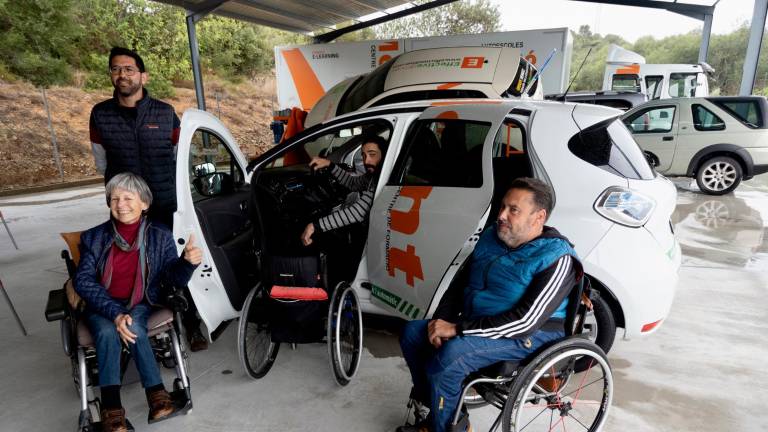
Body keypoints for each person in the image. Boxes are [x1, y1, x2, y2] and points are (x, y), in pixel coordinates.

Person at [396, 178, 580, 432]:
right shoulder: (492, 237)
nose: (502, 215)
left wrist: (458, 329)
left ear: (539, 217)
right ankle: (448, 417)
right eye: (502, 206)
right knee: (413, 333)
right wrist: (440, 323)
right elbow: (459, 284)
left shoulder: (557, 258)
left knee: (451, 357)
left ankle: (447, 426)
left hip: (530, 335)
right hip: (481, 323)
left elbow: (525, 321)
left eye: (513, 209)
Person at [89, 46, 207, 351]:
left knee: (175, 263)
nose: (122, 74)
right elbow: (102, 163)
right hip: (126, 210)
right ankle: (137, 323)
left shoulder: (165, 113)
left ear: (143, 75)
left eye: (129, 69)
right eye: (116, 69)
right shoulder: (100, 115)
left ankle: (190, 321)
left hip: (165, 205)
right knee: (130, 267)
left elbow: (180, 159)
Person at [74, 172, 202, 432]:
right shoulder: (94, 238)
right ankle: (112, 410)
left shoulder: (159, 235)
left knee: (132, 327)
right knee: (109, 331)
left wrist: (188, 263)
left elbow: (170, 277)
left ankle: (156, 397)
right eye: (115, 198)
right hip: (103, 304)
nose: (121, 204)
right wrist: (114, 312)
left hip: (141, 301)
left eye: (128, 198)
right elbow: (84, 281)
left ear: (144, 203)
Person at [300, 135, 387, 246]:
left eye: (372, 154)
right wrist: (329, 165)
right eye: (364, 156)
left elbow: (358, 212)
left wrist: (314, 226)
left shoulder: (383, 179)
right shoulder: (373, 176)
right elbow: (352, 183)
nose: (366, 161)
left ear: (384, 155)